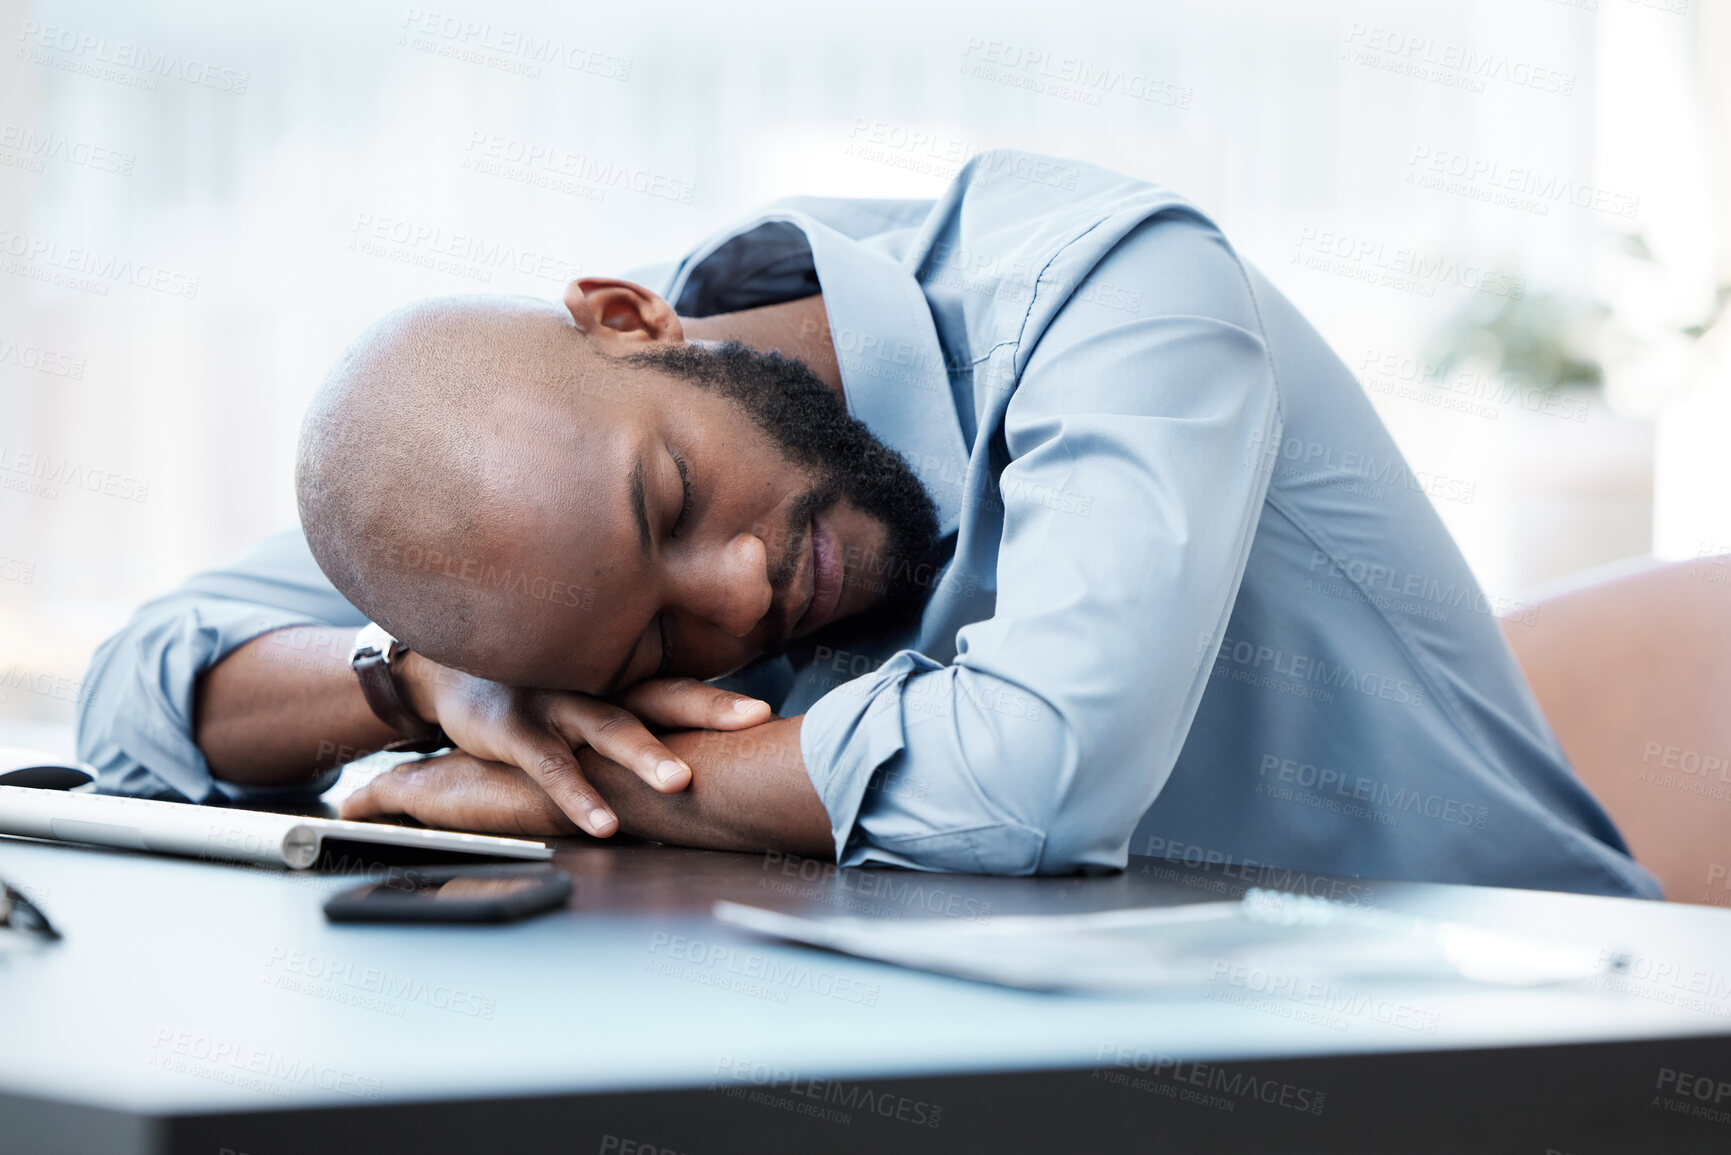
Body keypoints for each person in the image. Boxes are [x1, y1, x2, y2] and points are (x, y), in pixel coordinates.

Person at [77, 150, 1659, 896]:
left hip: (1509, 1046)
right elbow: (143, 687)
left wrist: (576, 792)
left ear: (634, 317)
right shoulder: (541, 522)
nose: (744, 586)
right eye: (648, 639)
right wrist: (433, 689)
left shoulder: (1112, 290)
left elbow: (1038, 770)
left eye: (677, 503)